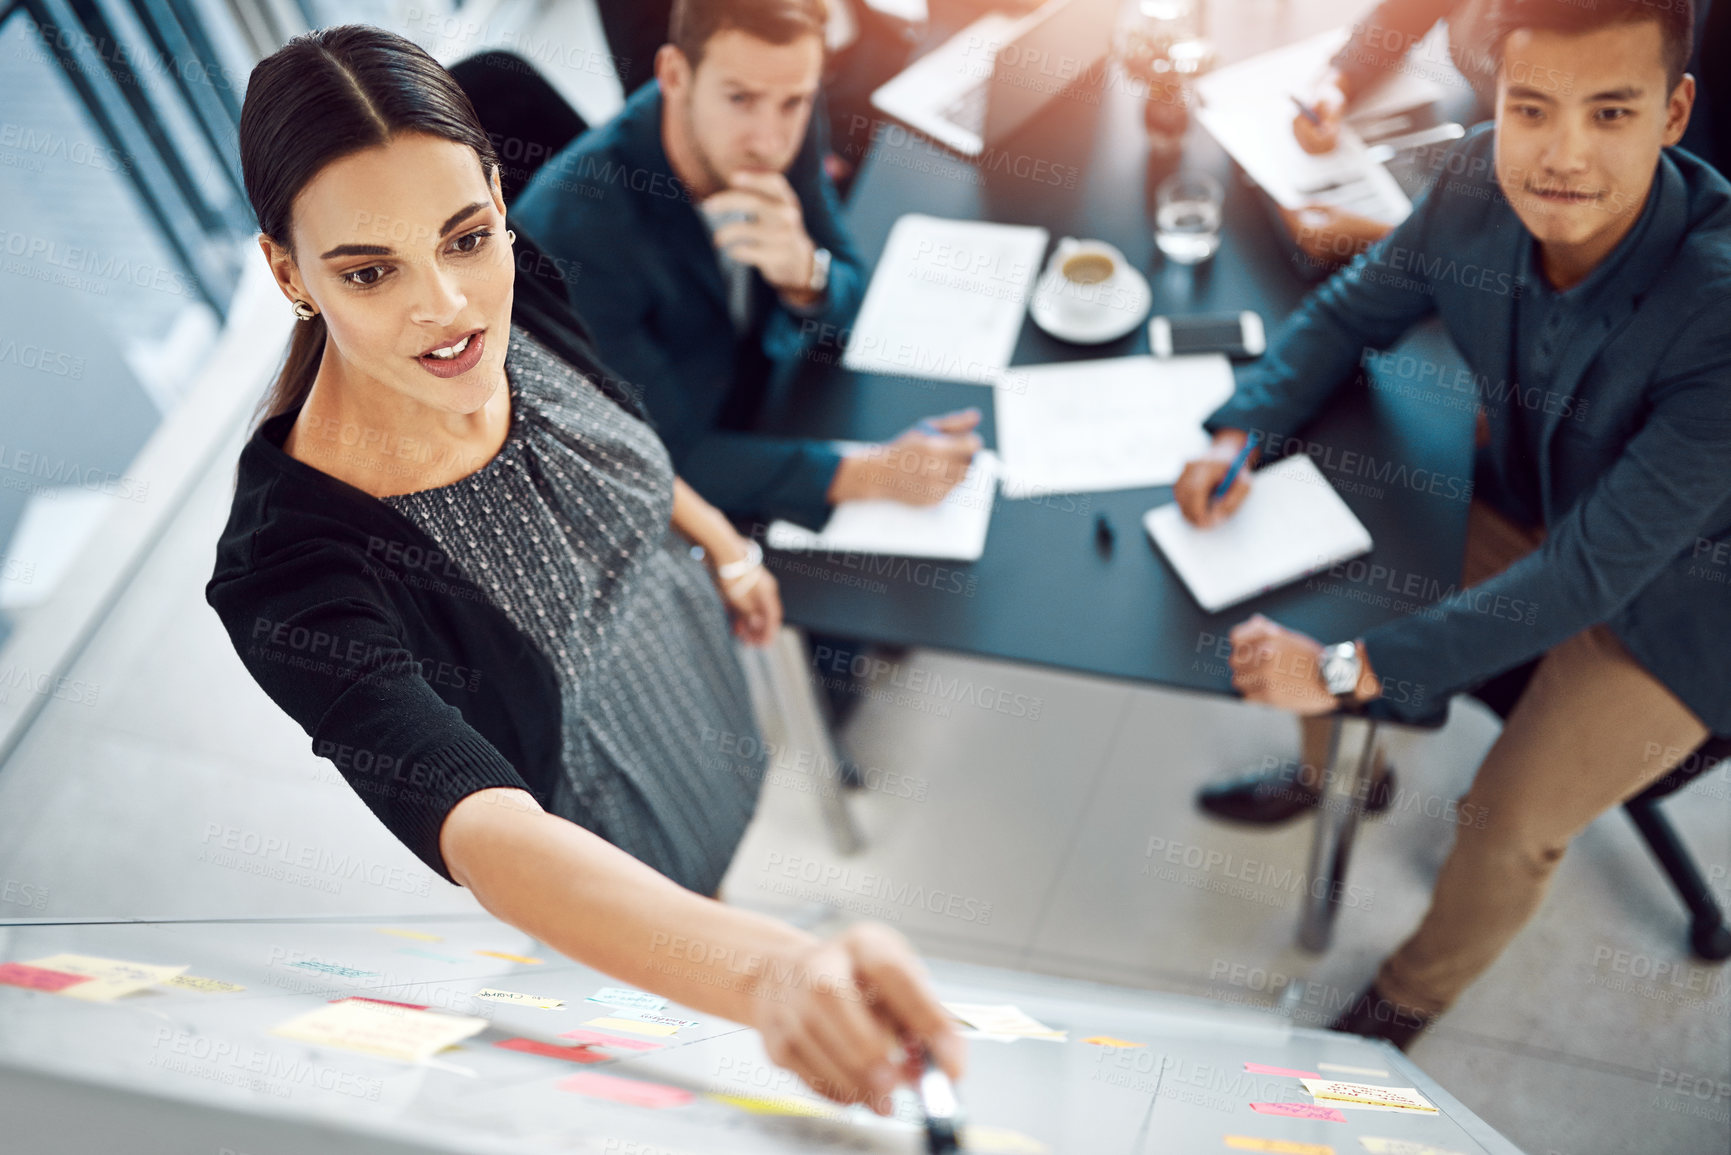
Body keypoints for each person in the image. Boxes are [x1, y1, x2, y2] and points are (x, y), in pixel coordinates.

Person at [205, 25, 963, 1109]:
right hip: (599, 831)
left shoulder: (529, 285)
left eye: (467, 238)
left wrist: (719, 540)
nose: (448, 310)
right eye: (370, 271)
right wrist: (769, 971)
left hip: (686, 668)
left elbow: (631, 443)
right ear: (289, 273)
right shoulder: (290, 567)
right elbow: (487, 829)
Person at [1176, 0, 1730, 1047]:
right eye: (1533, 110)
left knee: (1506, 820)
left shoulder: (1720, 311)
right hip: (1540, 508)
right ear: (1499, 104)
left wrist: (1345, 670)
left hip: (1686, 607)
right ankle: (1342, 774)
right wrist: (1239, 428)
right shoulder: (1479, 178)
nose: (1561, 157)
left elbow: (1586, 580)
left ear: (1674, 112)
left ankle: (1410, 999)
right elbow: (1353, 310)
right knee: (1323, 562)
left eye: (1611, 113)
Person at [513, 0, 982, 535]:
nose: (770, 141)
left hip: (775, 389)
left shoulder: (783, 108)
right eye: (739, 98)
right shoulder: (573, 236)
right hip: (689, 467)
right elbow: (664, 457)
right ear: (673, 75)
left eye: (795, 102)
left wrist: (806, 277)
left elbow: (847, 278)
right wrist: (867, 474)